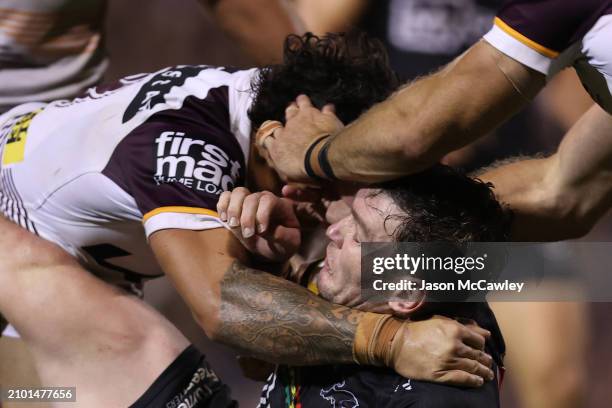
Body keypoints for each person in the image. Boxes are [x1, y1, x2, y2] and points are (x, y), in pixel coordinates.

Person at [0, 33, 494, 406]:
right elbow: (223, 311)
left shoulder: (257, 103)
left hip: (63, 267)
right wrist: (389, 340)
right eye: (329, 177)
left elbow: (528, 235)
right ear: (275, 134)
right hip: (32, 252)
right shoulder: (186, 151)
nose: (331, 212)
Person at [261, 0, 612, 236]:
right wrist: (390, 218)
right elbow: (562, 191)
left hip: (441, 158)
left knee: (545, 342)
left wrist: (315, 152)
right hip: (410, 179)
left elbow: (413, 135)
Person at [217, 164, 509, 407]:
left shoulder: (438, 396)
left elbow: (216, 309)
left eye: (359, 235)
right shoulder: (370, 288)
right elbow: (256, 364)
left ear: (404, 293)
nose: (332, 231)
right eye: (349, 216)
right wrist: (268, 261)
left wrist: (389, 343)